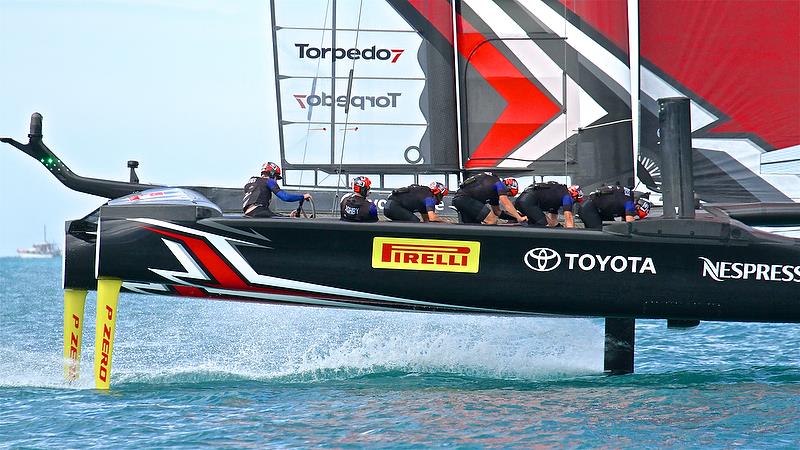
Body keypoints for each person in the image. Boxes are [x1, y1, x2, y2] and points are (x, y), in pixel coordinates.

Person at [452, 172, 527, 224]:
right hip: (464, 198)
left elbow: (497, 212)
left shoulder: (493, 191)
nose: (506, 196)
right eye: (508, 194)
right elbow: (506, 203)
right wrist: (519, 218)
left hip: (461, 198)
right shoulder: (500, 184)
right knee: (492, 220)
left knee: (474, 227)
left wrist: (515, 217)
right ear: (507, 188)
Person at [242, 162, 312, 217]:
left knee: (281, 216)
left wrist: (288, 216)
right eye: (277, 178)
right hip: (258, 211)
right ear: (272, 174)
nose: (276, 181)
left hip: (248, 213)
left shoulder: (252, 183)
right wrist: (303, 196)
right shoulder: (269, 181)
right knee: (284, 218)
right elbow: (286, 197)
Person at [579, 185, 651, 229]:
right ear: (638, 206)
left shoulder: (628, 196)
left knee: (612, 229)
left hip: (601, 209)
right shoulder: (629, 203)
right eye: (637, 213)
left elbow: (624, 223)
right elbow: (630, 224)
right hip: (590, 208)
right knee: (599, 232)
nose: (635, 214)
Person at [515, 182, 583, 228]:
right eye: (574, 201)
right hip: (529, 201)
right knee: (545, 227)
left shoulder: (557, 195)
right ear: (574, 196)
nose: (572, 203)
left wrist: (559, 227)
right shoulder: (567, 197)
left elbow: (552, 221)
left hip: (522, 199)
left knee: (539, 224)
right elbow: (569, 219)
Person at [383, 182, 450, 222]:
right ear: (438, 193)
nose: (441, 200)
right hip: (394, 206)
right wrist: (447, 223)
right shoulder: (430, 197)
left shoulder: (423, 193)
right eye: (442, 196)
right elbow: (432, 218)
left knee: (412, 221)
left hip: (389, 206)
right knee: (415, 222)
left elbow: (427, 221)